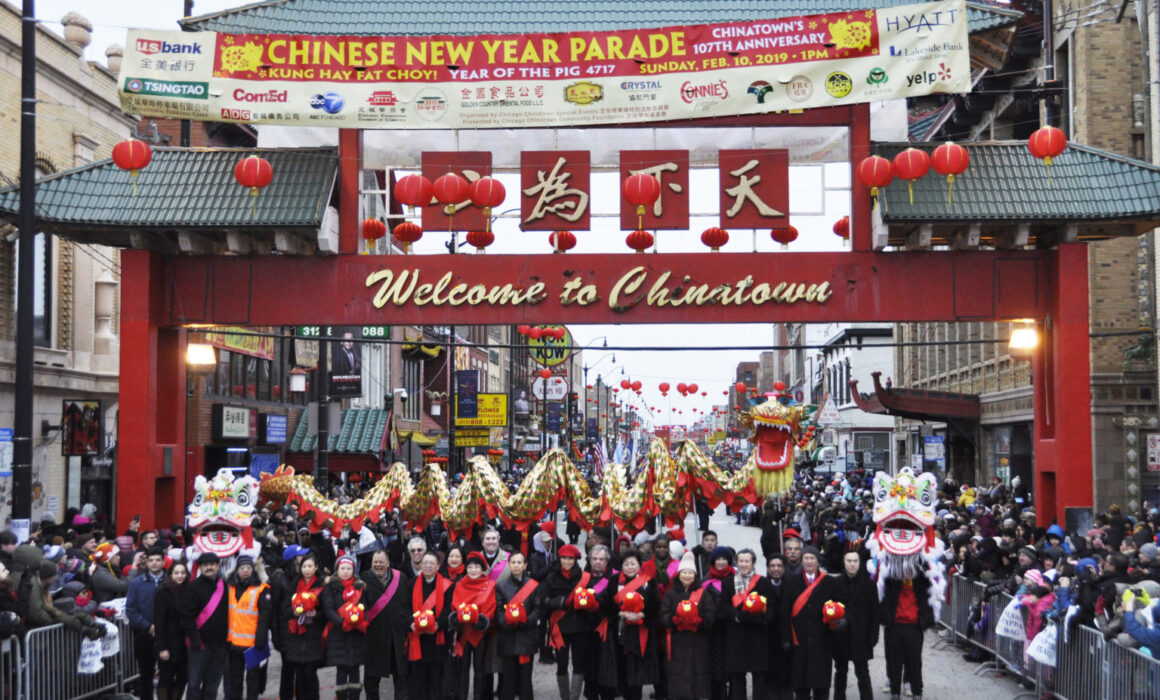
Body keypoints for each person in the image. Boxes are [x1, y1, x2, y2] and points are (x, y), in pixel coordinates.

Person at [780, 545, 841, 700]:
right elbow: (784, 612)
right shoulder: (791, 582)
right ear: (802, 560)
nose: (808, 561)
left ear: (817, 561)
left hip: (822, 641)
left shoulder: (829, 582)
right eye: (806, 558)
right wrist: (786, 638)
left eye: (812, 558)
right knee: (801, 687)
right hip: (798, 641)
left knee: (821, 686)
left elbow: (837, 609)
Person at [719, 548, 775, 700]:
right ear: (737, 562)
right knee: (737, 677)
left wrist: (758, 617)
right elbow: (723, 606)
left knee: (759, 676)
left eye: (747, 561)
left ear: (753, 563)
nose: (744, 564)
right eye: (741, 561)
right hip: (736, 635)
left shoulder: (763, 582)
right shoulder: (728, 582)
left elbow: (770, 608)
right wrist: (736, 616)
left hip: (757, 636)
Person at [659, 552, 717, 700]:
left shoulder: (703, 594)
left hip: (699, 643)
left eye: (690, 573)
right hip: (677, 643)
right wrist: (674, 620)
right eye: (684, 572)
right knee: (677, 677)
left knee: (698, 678)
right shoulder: (671, 594)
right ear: (679, 574)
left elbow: (711, 615)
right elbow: (663, 615)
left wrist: (700, 621)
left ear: (695, 575)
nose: (687, 576)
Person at [880, 553, 935, 700]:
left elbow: (933, 578)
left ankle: (917, 691)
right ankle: (895, 692)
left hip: (914, 625)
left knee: (914, 661)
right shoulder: (891, 574)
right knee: (894, 661)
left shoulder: (922, 577)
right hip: (894, 624)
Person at [542, 543, 592, 700]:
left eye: (570, 559)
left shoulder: (583, 576)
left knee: (579, 662)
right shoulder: (551, 577)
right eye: (564, 558)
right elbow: (544, 599)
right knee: (561, 663)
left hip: (580, 625)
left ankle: (574, 695)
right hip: (560, 625)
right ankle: (565, 696)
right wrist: (560, 602)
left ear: (575, 560)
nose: (567, 562)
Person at [361, 549, 411, 700]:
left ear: (388, 563)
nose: (378, 565)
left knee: (401, 680)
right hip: (375, 638)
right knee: (371, 682)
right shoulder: (364, 579)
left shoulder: (400, 577)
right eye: (375, 562)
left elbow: (406, 604)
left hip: (397, 637)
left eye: (381, 562)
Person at [448, 551, 497, 700]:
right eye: (470, 567)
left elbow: (491, 607)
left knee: (479, 668)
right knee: (462, 669)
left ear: (482, 569)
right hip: (463, 632)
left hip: (480, 633)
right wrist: (459, 617)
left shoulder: (490, 585)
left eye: (477, 566)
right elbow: (455, 606)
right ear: (466, 568)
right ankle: (461, 696)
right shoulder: (460, 585)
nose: (473, 570)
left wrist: (482, 620)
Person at [182, 552, 230, 700]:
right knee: (194, 684)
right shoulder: (192, 587)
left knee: (212, 685)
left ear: (217, 566)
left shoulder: (224, 586)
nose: (209, 567)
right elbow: (187, 617)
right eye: (205, 565)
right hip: (199, 644)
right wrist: (195, 640)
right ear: (200, 567)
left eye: (212, 564)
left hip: (219, 644)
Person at [831, 551, 878, 700]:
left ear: (860, 563)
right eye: (849, 561)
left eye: (855, 561)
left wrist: (873, 637)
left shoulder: (869, 584)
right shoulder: (836, 583)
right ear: (844, 563)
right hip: (841, 636)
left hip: (861, 636)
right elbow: (830, 610)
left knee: (863, 672)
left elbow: (874, 613)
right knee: (840, 672)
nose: (852, 564)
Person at [611, 549, 658, 700]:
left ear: (639, 565)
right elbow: (607, 603)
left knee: (637, 673)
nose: (630, 567)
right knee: (622, 670)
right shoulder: (614, 581)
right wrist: (620, 613)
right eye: (626, 564)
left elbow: (656, 604)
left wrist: (642, 614)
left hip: (640, 633)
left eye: (633, 564)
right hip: (620, 631)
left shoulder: (648, 581)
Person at [279, 552, 326, 700]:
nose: (306, 569)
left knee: (310, 671)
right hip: (297, 635)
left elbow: (327, 610)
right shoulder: (294, 584)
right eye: (304, 566)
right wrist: (294, 612)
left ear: (316, 567)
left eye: (310, 566)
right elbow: (285, 610)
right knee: (299, 672)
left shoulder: (322, 585)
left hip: (314, 635)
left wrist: (316, 615)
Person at [225, 554, 272, 700]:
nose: (246, 570)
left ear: (254, 569)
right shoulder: (229, 587)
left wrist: (261, 639)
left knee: (253, 680)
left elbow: (265, 617)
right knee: (235, 679)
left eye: (249, 567)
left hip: (254, 643)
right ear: (236, 570)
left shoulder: (262, 588)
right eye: (242, 568)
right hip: (233, 643)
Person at [495, 550, 540, 700]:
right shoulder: (501, 586)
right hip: (507, 637)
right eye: (513, 562)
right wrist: (506, 622)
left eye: (519, 562)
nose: (516, 565)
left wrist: (525, 621)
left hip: (526, 637)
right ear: (509, 565)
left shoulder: (533, 585)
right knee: (508, 679)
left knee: (525, 680)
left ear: (525, 565)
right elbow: (499, 610)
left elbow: (538, 609)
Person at [323, 554, 368, 700]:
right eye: (343, 568)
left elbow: (364, 607)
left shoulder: (360, 586)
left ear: (353, 570)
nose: (346, 571)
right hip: (338, 633)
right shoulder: (330, 586)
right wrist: (342, 623)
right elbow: (328, 609)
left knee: (355, 669)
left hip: (356, 634)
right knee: (341, 670)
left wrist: (359, 621)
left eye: (349, 568)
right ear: (337, 569)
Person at [409, 551, 454, 700]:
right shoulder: (411, 583)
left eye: (432, 563)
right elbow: (404, 608)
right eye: (425, 563)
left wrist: (437, 624)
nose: (428, 566)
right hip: (417, 638)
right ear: (421, 564)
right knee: (418, 680)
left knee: (436, 680)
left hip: (437, 639)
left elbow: (449, 609)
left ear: (438, 566)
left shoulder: (447, 585)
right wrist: (411, 624)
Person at [126, 546, 166, 700]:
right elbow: (131, 609)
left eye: (158, 560)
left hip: (167, 634)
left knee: (166, 674)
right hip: (144, 634)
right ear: (146, 562)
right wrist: (148, 626)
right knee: (146, 674)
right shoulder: (137, 583)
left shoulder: (169, 581)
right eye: (151, 560)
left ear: (163, 562)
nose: (154, 563)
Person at [154, 561, 189, 700]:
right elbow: (159, 622)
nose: (180, 576)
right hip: (168, 643)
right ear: (170, 575)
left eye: (183, 573)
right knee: (166, 678)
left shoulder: (189, 591)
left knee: (182, 677)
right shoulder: (163, 593)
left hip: (185, 644)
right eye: (176, 573)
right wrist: (162, 647)